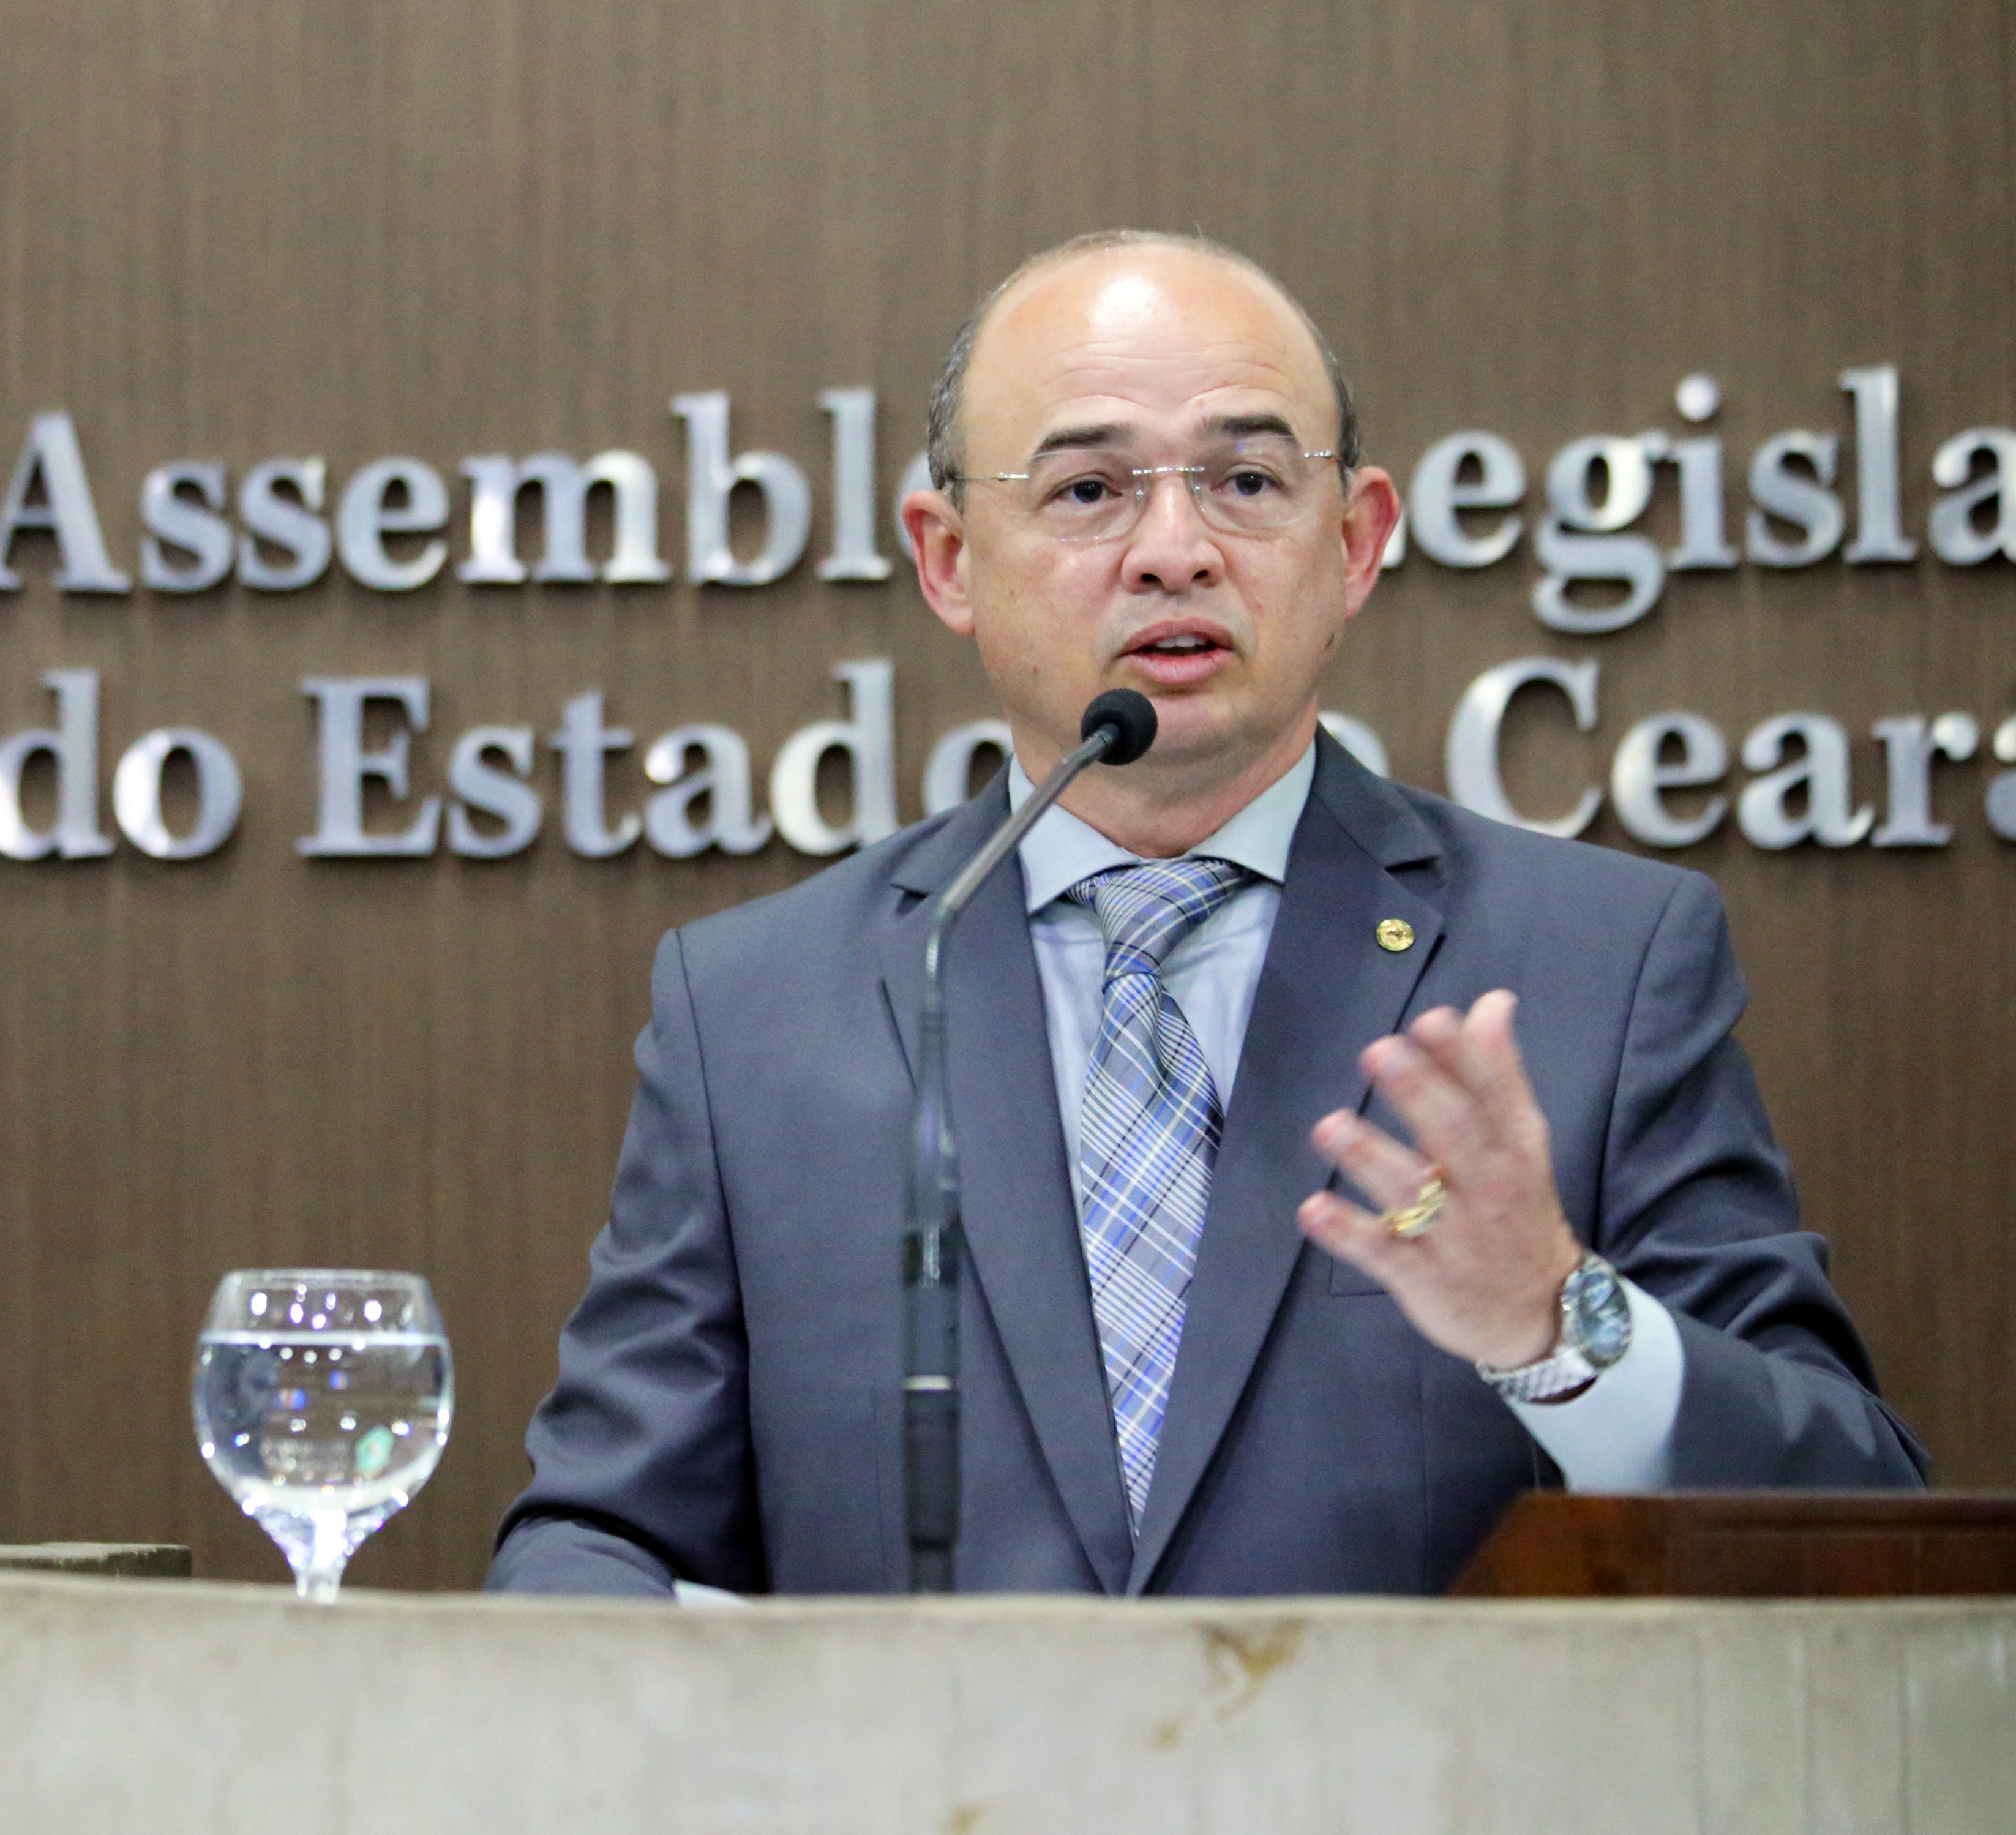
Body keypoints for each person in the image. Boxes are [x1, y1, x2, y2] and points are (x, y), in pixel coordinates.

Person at [487, 231, 1927, 1599]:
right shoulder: (755, 1012)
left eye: (1245, 480)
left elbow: (1854, 1521)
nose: (1174, 550)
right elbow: (598, 1536)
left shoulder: (1601, 966)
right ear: (948, 559)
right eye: (1088, 490)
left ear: (1354, 540)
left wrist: (1562, 1330)